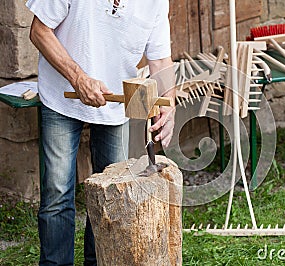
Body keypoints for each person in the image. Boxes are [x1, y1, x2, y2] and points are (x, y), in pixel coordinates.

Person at [26, 0, 175, 265]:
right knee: (57, 194)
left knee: (110, 197)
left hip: (115, 108)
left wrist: (169, 101)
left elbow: (161, 58)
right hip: (61, 95)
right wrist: (78, 78)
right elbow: (39, 31)